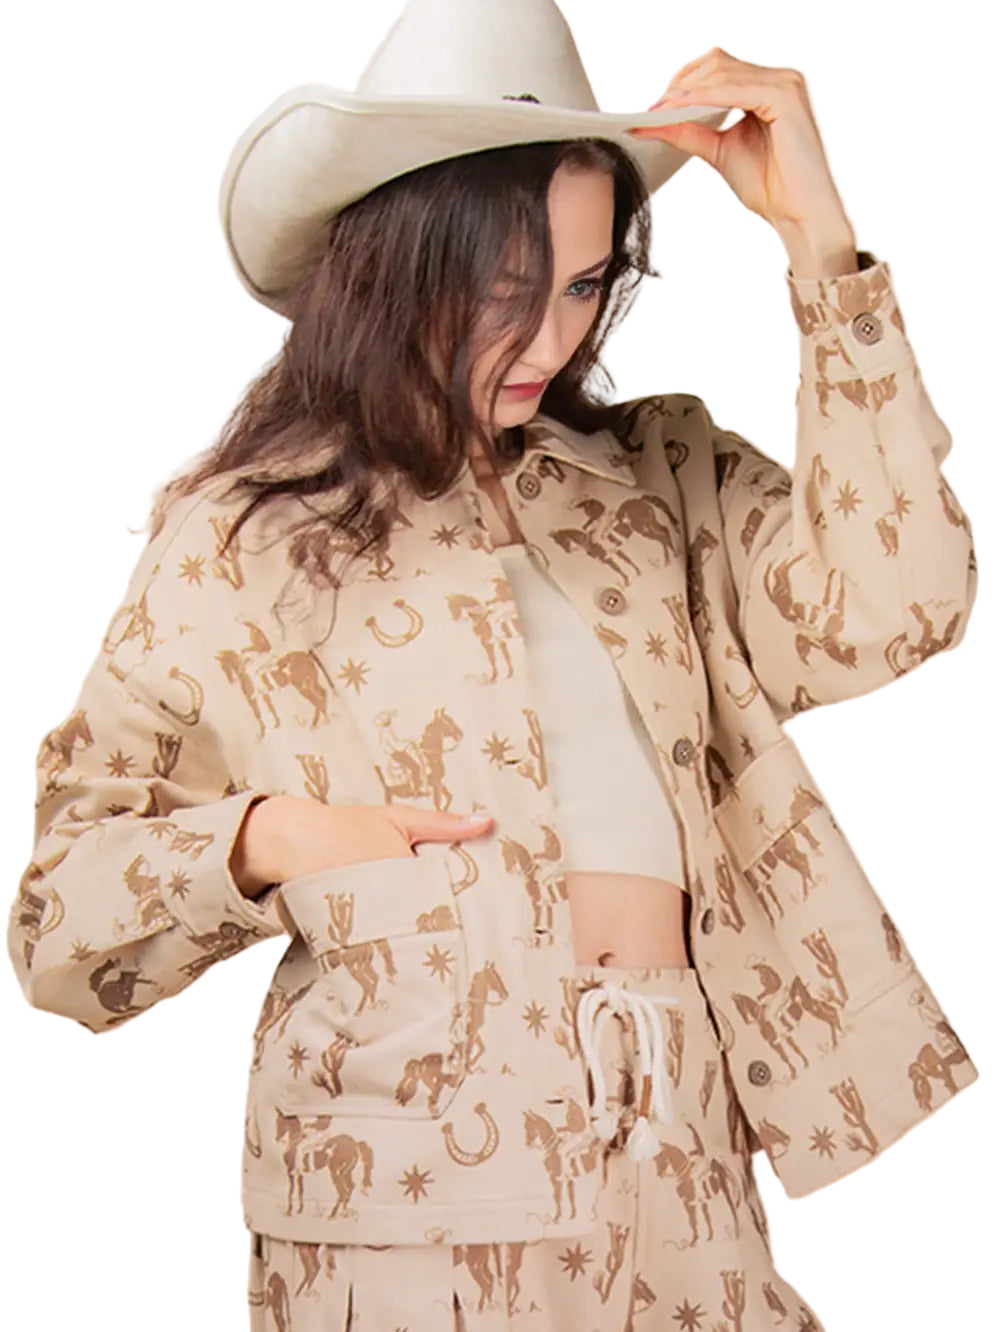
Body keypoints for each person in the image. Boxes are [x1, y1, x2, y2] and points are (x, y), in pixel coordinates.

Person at [7, 1, 979, 1329]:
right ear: (392, 267)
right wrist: (271, 838)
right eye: (507, 294)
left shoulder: (658, 479)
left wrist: (823, 250)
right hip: (407, 1201)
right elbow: (58, 929)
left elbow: (900, 601)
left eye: (584, 287)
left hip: (684, 1167)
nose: (552, 342)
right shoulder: (241, 540)